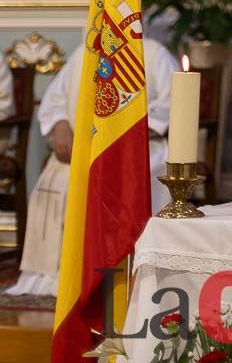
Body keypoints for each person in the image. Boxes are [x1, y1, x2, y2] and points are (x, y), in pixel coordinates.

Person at [8, 38, 179, 297]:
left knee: (131, 178)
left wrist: (121, 135)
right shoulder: (85, 53)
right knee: (57, 178)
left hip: (137, 149)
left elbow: (171, 104)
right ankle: (59, 274)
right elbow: (54, 100)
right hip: (82, 151)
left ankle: (126, 277)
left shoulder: (155, 53)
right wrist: (60, 125)